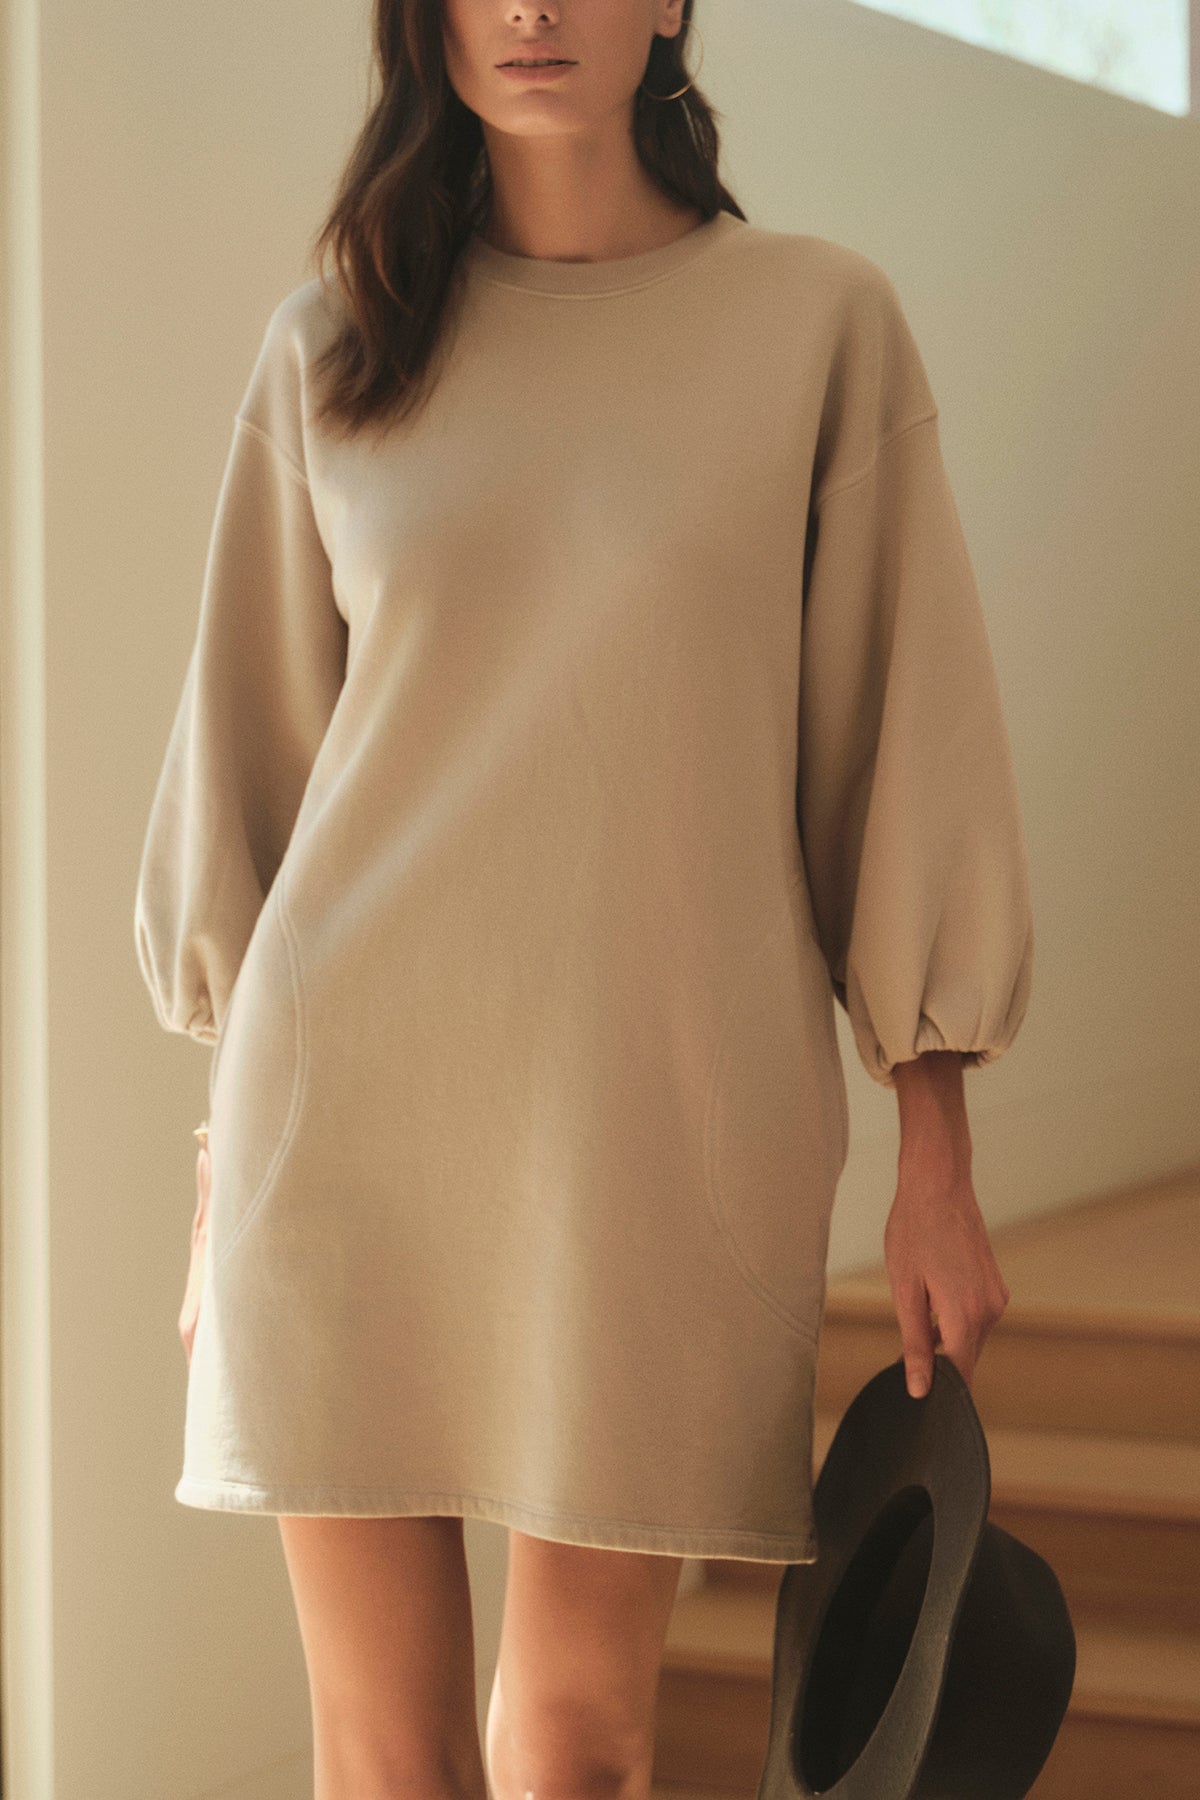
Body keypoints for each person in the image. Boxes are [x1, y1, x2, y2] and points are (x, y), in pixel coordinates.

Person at [134, 2, 1035, 1797]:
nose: (531, 10)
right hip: (344, 1127)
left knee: (577, 1741)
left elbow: (896, 746)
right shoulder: (331, 349)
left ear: (673, 3)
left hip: (661, 1123)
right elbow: (256, 774)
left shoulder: (816, 327)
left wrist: (934, 1146)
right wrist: (218, 1181)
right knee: (382, 1753)